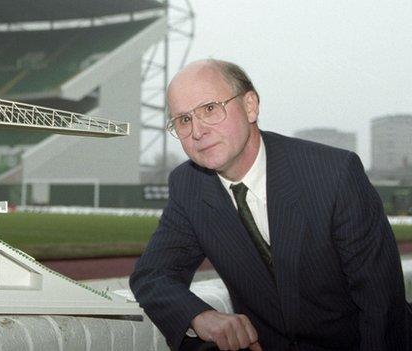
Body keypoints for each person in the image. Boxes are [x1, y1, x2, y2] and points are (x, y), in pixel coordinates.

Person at [129, 59, 411, 351]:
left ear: (250, 106)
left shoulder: (334, 174)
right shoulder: (189, 185)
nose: (197, 131)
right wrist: (200, 316)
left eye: (210, 109)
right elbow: (153, 274)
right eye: (184, 120)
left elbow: (382, 307)